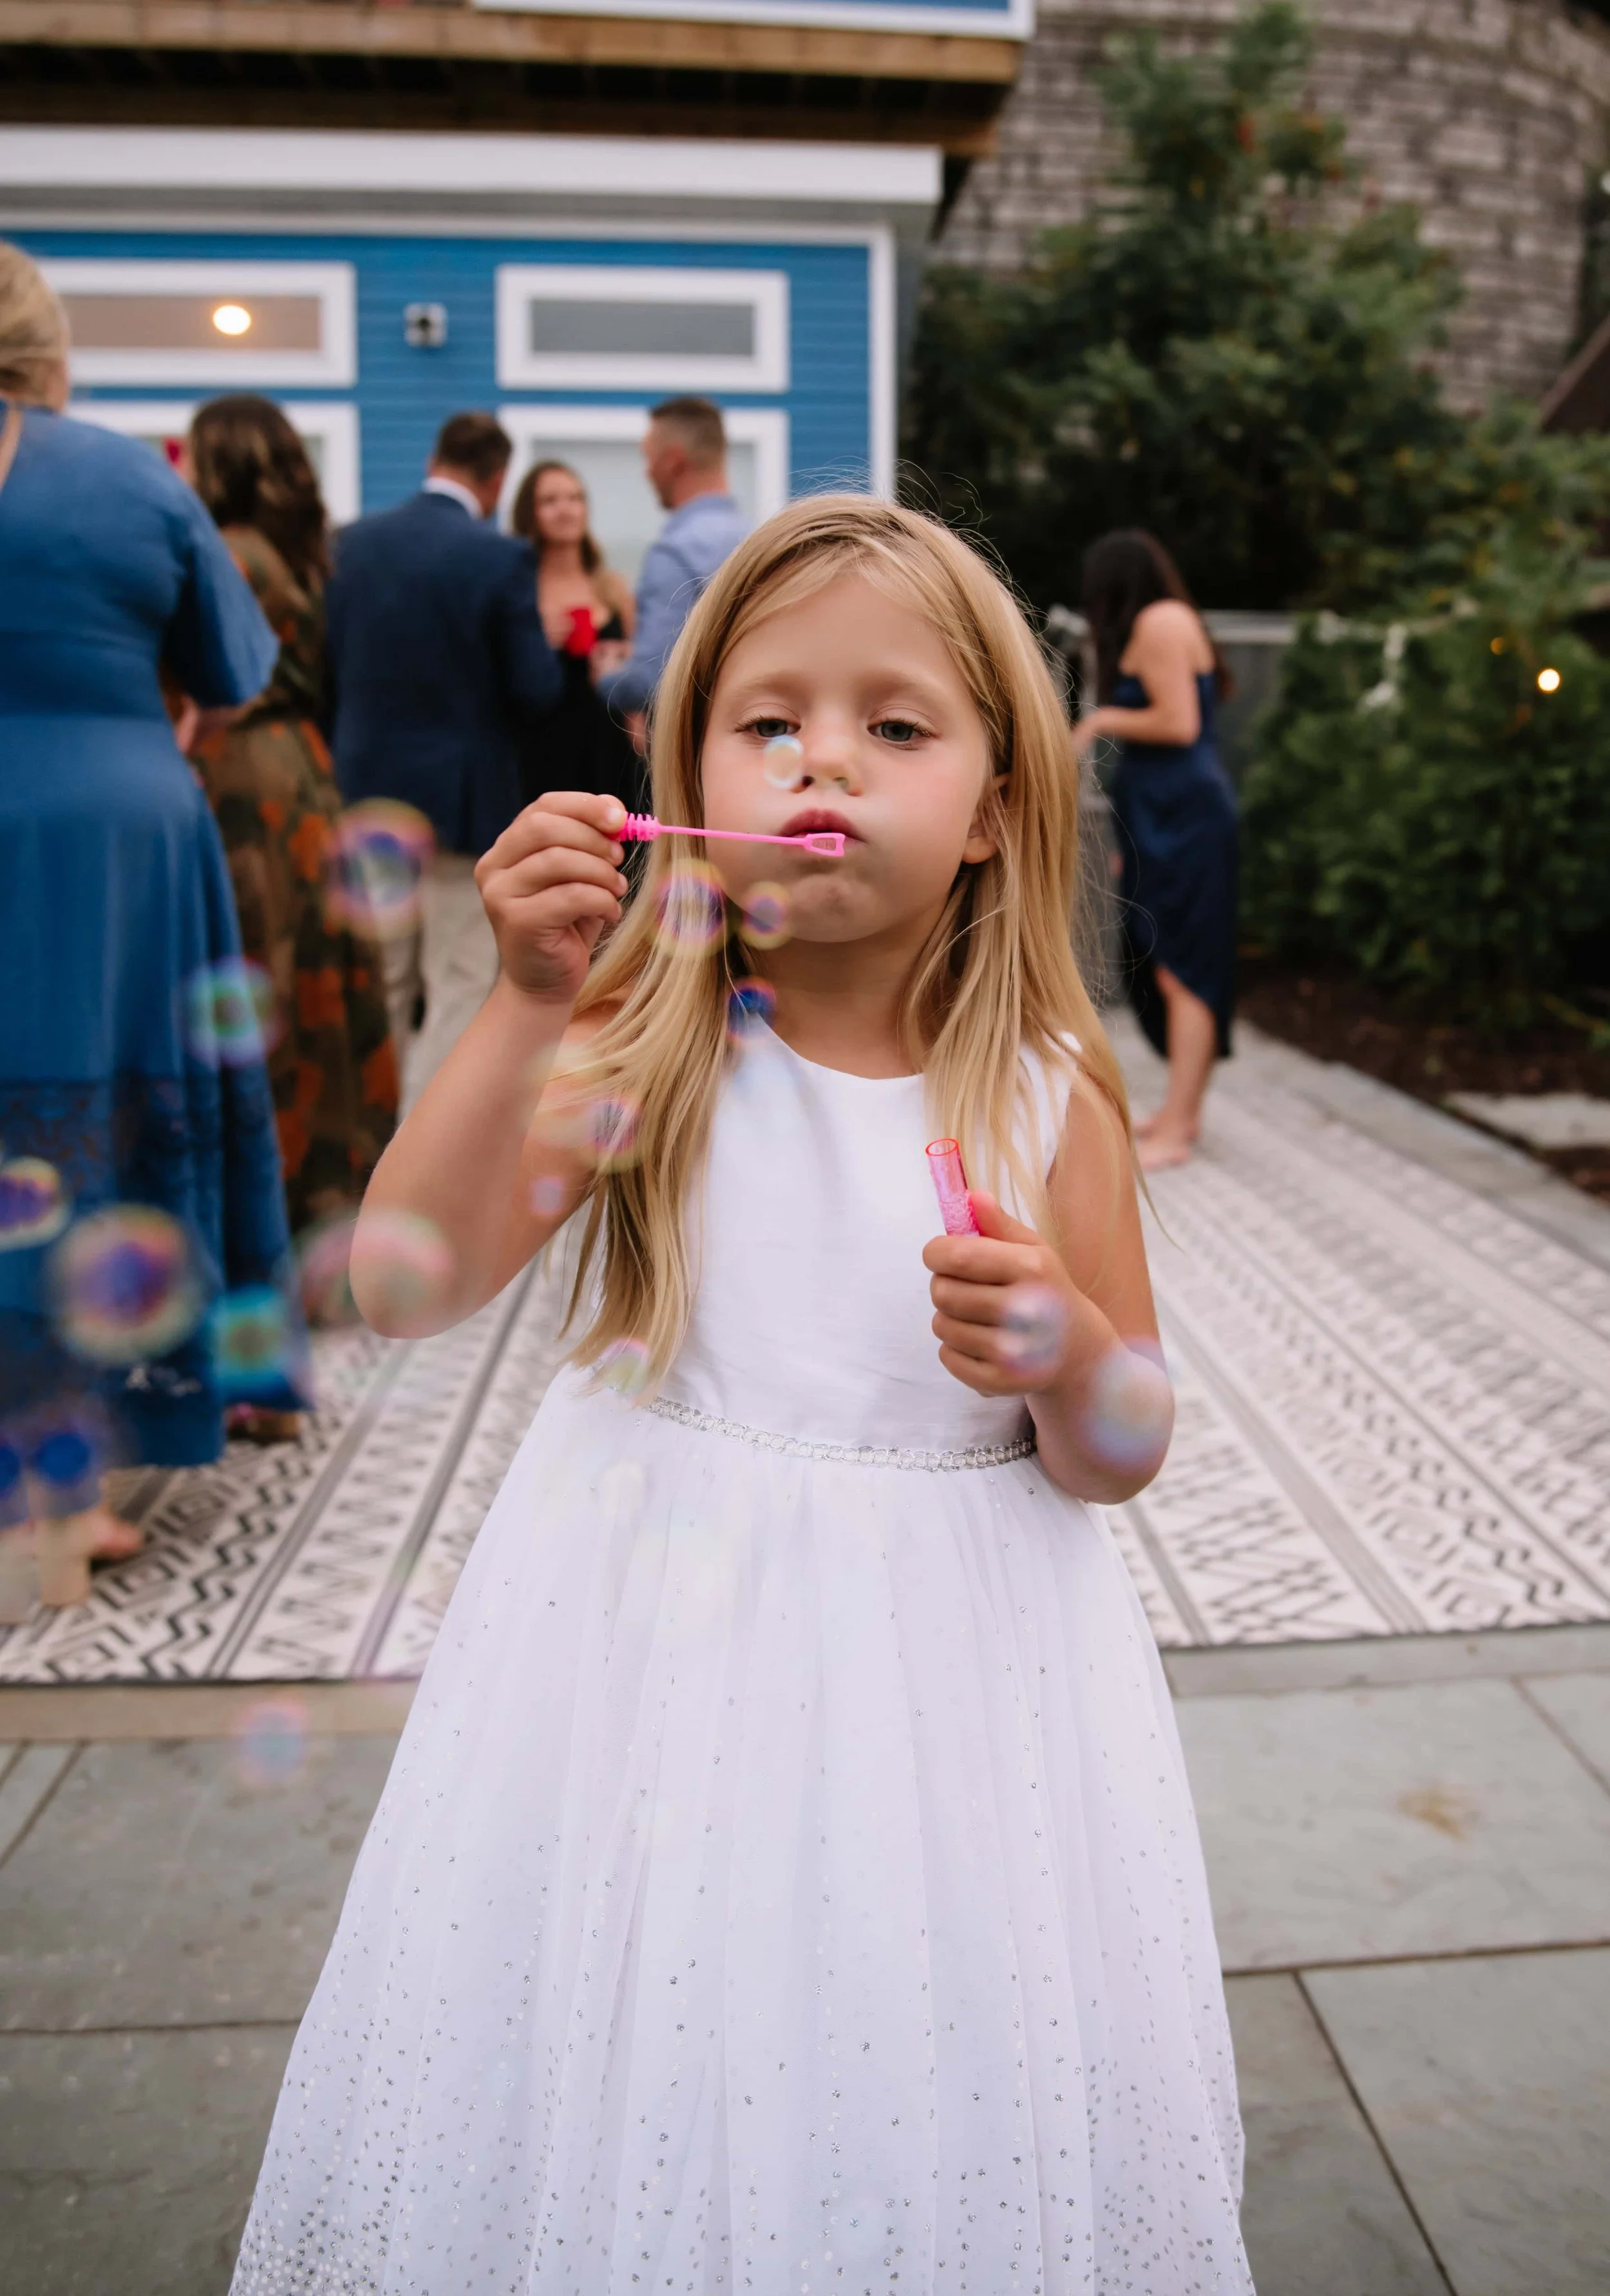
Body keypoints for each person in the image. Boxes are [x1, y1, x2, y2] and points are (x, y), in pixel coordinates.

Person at [232, 496, 1251, 2293]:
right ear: (678, 767)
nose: (821, 762)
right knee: (654, 2035)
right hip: (646, 1654)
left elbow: (1124, 1449)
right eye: (766, 721)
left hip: (951, 1700)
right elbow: (409, 1273)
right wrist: (524, 1000)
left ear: (996, 808)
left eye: (894, 724)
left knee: (902, 2059)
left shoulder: (1042, 1095)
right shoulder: (644, 1044)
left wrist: (1068, 1356)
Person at [0, 245, 298, 1603]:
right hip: (118, 825)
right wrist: (161, 726)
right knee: (122, 1106)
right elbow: (235, 667)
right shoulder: (126, 476)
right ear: (50, 352)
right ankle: (87, 1460)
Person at [184, 395, 399, 1263]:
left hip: (243, 777)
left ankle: (268, 1200)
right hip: (302, 770)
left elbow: (206, 679)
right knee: (316, 984)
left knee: (265, 979)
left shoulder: (232, 555)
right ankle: (325, 1191)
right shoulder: (300, 552)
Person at [326, 410, 563, 1107]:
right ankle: (417, 1149)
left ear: (434, 458)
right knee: (460, 974)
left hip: (364, 787)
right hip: (462, 800)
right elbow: (535, 688)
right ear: (496, 479)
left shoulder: (348, 545)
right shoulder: (497, 557)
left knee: (385, 980)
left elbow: (326, 667)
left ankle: (373, 1140)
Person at [1073, 529, 1238, 1172]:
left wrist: (1096, 721)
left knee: (1183, 967)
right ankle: (1178, 1113)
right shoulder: (1159, 620)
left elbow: (1179, 723)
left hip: (1187, 817)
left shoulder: (1162, 619)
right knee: (1164, 959)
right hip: (1156, 819)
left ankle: (1178, 1125)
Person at [601, 393, 748, 742]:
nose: (647, 472)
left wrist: (608, 675)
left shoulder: (676, 553)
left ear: (672, 462)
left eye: (648, 458)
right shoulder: (757, 541)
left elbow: (651, 682)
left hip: (691, 751)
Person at [509, 456, 641, 808]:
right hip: (543, 753)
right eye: (550, 501)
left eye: (575, 498)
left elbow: (643, 668)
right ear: (529, 514)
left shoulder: (612, 588)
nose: (566, 509)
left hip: (610, 748)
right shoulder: (518, 590)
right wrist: (538, 642)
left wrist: (624, 659)